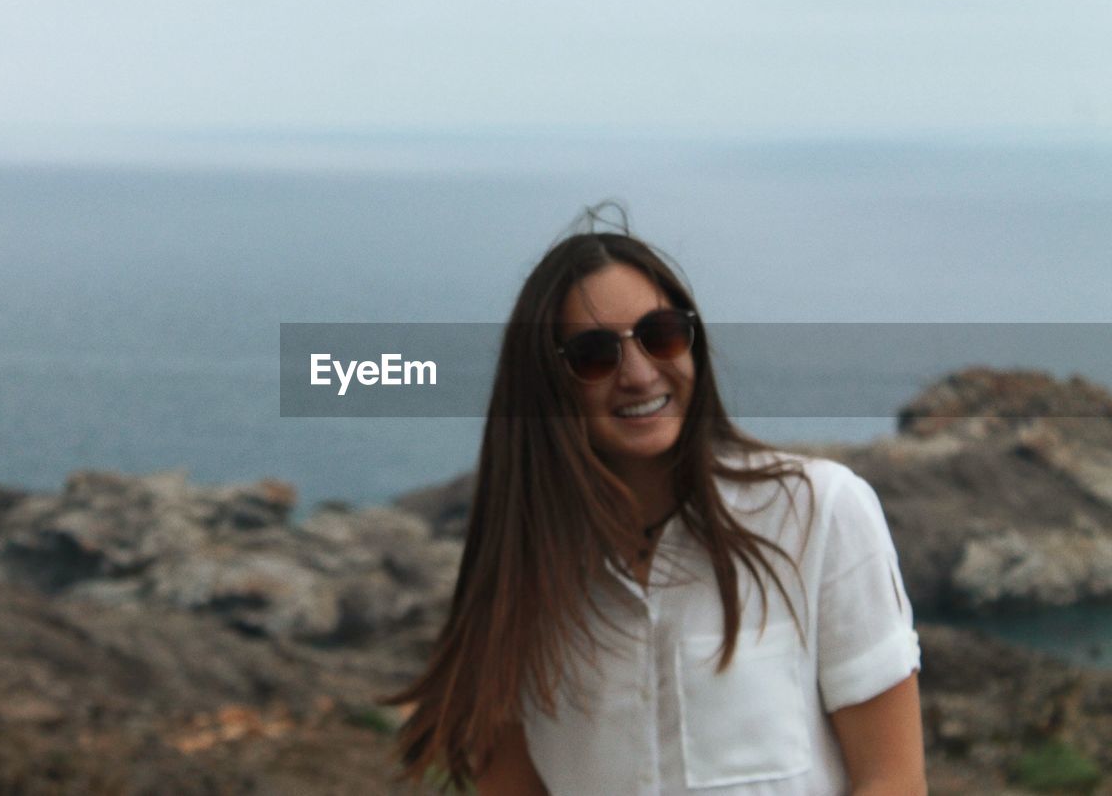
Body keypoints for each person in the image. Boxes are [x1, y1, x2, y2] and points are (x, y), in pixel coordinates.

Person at [382, 203, 925, 795]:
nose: (640, 374)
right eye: (595, 354)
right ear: (546, 382)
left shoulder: (818, 511)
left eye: (660, 336)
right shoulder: (522, 572)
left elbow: (891, 780)